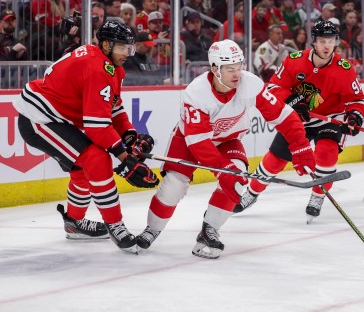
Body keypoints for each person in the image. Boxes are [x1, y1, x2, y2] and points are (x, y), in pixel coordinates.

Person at [135, 39, 316, 258]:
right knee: (174, 185)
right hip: (189, 141)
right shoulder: (196, 92)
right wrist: (222, 169)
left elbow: (284, 116)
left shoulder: (251, 84)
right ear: (214, 69)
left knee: (237, 180)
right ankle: (152, 229)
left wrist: (301, 146)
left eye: (240, 67)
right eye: (230, 69)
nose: (237, 74)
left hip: (228, 140)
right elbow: (199, 143)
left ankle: (209, 230)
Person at [13, 20, 158, 254]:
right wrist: (125, 158)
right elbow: (97, 126)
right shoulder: (97, 67)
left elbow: (113, 106)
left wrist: (129, 135)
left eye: (129, 48)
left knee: (82, 168)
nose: (127, 54)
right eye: (122, 48)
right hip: (38, 118)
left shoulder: (112, 66)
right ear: (106, 44)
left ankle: (74, 222)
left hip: (58, 117)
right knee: (96, 159)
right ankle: (115, 224)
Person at [234, 21, 364, 222]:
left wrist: (354, 116)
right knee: (274, 160)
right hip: (298, 120)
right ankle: (251, 194)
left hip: (329, 119)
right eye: (322, 41)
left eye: (330, 41)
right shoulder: (294, 60)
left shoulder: (344, 69)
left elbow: (357, 100)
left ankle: (318, 195)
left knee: (326, 152)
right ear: (313, 41)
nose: (326, 46)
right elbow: (274, 88)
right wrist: (292, 101)